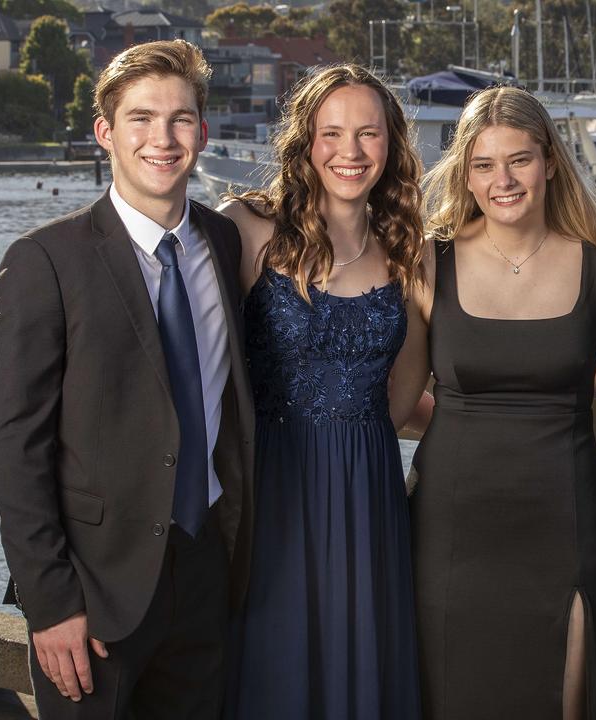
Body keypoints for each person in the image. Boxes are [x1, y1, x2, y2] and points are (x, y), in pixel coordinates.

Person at [0, 40, 253, 719]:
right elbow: (14, 446)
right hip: (93, 587)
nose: (162, 138)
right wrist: (50, 606)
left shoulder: (224, 245)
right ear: (105, 132)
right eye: (141, 118)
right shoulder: (45, 260)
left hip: (203, 566)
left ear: (203, 131)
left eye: (181, 119)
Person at [401, 85, 596, 720]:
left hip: (563, 519)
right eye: (483, 165)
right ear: (465, 172)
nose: (502, 180)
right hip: (450, 523)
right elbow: (393, 404)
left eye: (518, 160)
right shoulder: (429, 264)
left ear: (548, 160)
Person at [218, 63, 425, 719]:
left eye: (368, 134)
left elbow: (410, 379)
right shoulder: (249, 229)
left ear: (391, 144)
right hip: (270, 483)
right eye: (332, 133)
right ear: (305, 142)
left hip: (368, 488)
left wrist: (353, 432)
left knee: (362, 657)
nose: (351, 152)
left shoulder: (408, 249)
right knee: (274, 661)